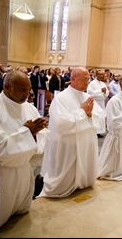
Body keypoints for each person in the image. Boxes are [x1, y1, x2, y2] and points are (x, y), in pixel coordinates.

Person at [0, 70, 49, 233]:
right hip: (1, 172)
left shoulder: (28, 108)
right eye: (21, 90)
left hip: (22, 169)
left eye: (28, 89)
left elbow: (42, 136)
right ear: (7, 86)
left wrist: (38, 131)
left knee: (20, 214)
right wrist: (27, 133)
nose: (27, 94)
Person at [38, 67, 106, 198]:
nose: (87, 83)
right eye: (84, 80)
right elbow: (62, 123)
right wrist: (83, 113)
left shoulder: (87, 97)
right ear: (73, 79)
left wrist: (89, 114)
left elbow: (101, 116)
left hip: (86, 140)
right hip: (68, 143)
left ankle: (83, 182)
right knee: (67, 173)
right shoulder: (61, 98)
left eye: (88, 80)